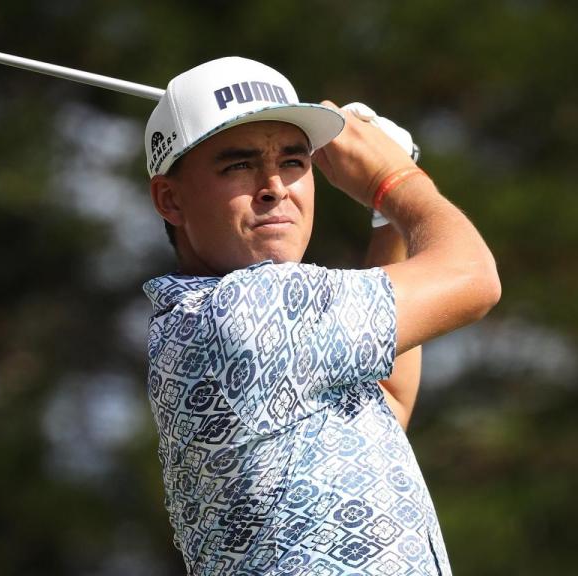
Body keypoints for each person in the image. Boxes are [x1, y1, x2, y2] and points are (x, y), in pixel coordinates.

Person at [141, 56, 500, 576]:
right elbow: (473, 277)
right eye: (238, 165)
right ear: (170, 199)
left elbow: (386, 398)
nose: (274, 186)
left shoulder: (199, 319)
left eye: (293, 161)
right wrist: (394, 179)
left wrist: (386, 223)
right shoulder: (248, 310)